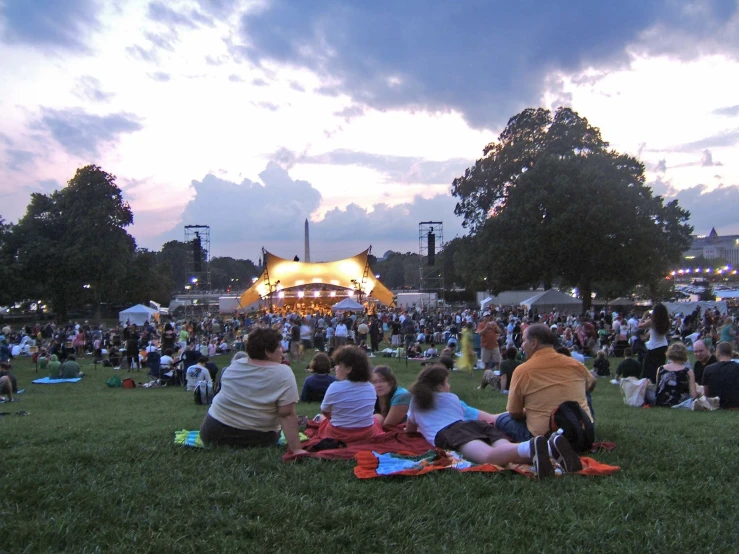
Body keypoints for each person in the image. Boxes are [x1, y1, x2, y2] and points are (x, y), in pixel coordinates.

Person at [405, 364, 582, 478]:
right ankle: (551, 448)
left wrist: (418, 428)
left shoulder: (416, 402)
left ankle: (533, 446)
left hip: (451, 432)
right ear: (439, 386)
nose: (449, 386)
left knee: (488, 457)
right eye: (447, 382)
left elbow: (410, 428)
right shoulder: (452, 398)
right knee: (507, 450)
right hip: (475, 426)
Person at [200, 327, 306, 454]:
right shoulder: (283, 372)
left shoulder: (234, 366)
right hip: (257, 437)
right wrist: (297, 449)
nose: (282, 350)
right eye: (278, 347)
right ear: (268, 352)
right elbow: (286, 414)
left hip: (212, 432)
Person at [492, 323, 596, 443]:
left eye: (524, 340)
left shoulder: (523, 370)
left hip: (545, 436)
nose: (522, 345)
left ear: (534, 343)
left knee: (503, 419)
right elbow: (592, 383)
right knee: (585, 392)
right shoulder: (575, 364)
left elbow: (514, 413)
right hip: (582, 433)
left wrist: (533, 411)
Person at [315, 345, 383, 440]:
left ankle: (318, 419)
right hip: (365, 433)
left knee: (324, 420)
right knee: (378, 417)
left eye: (338, 364)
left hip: (338, 433)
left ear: (348, 369)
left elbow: (325, 411)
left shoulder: (334, 387)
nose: (335, 368)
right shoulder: (371, 387)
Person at [654, 342, 697, 407]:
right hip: (680, 403)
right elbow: (694, 395)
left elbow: (658, 387)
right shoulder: (688, 372)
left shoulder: (660, 369)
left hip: (660, 403)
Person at [638, 304, 670, 383]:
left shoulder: (652, 321)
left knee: (647, 367)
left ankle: (646, 382)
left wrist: (644, 316)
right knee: (659, 367)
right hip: (663, 345)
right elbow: (655, 332)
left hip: (653, 347)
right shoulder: (666, 322)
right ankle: (657, 381)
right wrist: (647, 335)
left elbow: (639, 325)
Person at [703, 341, 739, 409]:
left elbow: (706, 395)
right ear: (731, 353)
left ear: (717, 353)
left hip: (716, 405)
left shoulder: (708, 369)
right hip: (736, 405)